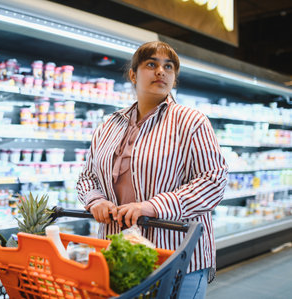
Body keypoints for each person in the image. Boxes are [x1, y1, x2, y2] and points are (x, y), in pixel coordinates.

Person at [76, 41, 228, 298]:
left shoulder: (191, 121)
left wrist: (153, 206)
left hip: (175, 257)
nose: (161, 71)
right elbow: (87, 176)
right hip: (119, 255)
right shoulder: (108, 126)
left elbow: (213, 181)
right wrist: (95, 200)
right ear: (133, 75)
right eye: (151, 64)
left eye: (168, 67)